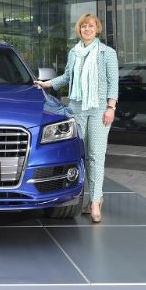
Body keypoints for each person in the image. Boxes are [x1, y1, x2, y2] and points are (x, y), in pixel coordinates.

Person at [35, 13, 118, 223]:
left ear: (97, 29)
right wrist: (47, 84)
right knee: (81, 154)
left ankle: (96, 201)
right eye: (83, 27)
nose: (87, 30)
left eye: (90, 26)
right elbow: (67, 77)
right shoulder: (74, 52)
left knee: (96, 156)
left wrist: (111, 108)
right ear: (79, 30)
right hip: (77, 107)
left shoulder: (106, 53)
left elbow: (113, 82)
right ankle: (89, 197)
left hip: (99, 108)